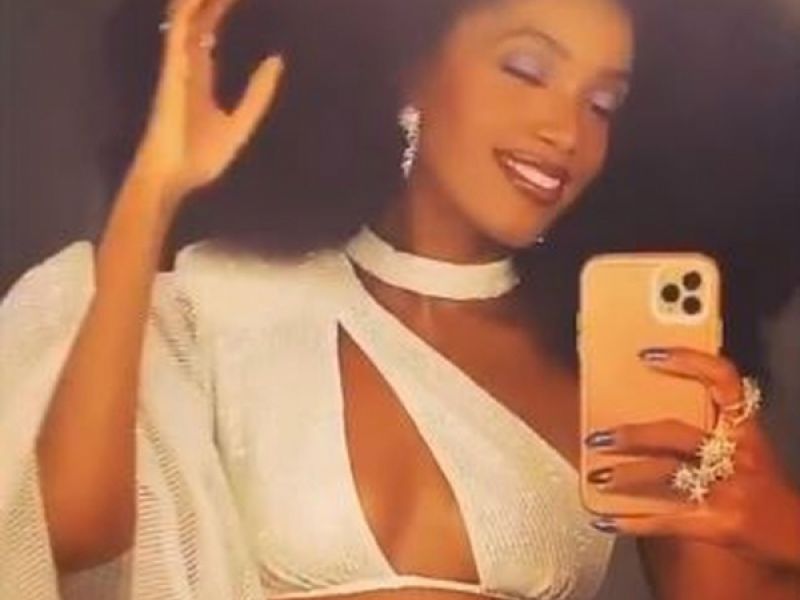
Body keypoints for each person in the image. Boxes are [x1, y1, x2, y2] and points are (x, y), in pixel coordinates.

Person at [1, 0, 798, 598]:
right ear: (411, 68)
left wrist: (782, 528)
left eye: (603, 105)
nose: (566, 130)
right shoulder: (231, 301)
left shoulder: (622, 370)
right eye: (527, 69)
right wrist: (156, 187)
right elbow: (69, 528)